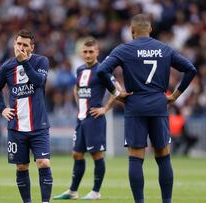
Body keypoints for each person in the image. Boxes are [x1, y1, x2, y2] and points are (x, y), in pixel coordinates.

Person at [97, 14, 197, 203]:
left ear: (132, 31)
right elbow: (190, 69)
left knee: (136, 157)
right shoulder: (164, 49)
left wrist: (116, 93)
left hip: (135, 105)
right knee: (163, 156)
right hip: (159, 104)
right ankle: (166, 201)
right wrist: (175, 95)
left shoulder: (124, 49)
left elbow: (102, 70)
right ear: (150, 30)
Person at [53, 38, 120, 200]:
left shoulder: (102, 70)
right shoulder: (80, 70)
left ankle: (96, 192)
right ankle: (73, 191)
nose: (88, 54)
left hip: (95, 119)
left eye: (91, 51)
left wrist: (104, 108)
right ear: (81, 53)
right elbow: (76, 89)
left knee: (96, 155)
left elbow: (117, 90)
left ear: (97, 52)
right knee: (77, 154)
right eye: (85, 51)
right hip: (81, 119)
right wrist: (79, 106)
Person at [0, 29, 53, 203]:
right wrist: (2, 108)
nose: (21, 47)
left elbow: (38, 82)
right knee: (21, 166)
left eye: (25, 45)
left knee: (43, 162)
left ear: (31, 48)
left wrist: (24, 62)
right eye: (18, 44)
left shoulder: (41, 61)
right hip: (16, 127)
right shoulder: (6, 67)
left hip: (38, 125)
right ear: (14, 45)